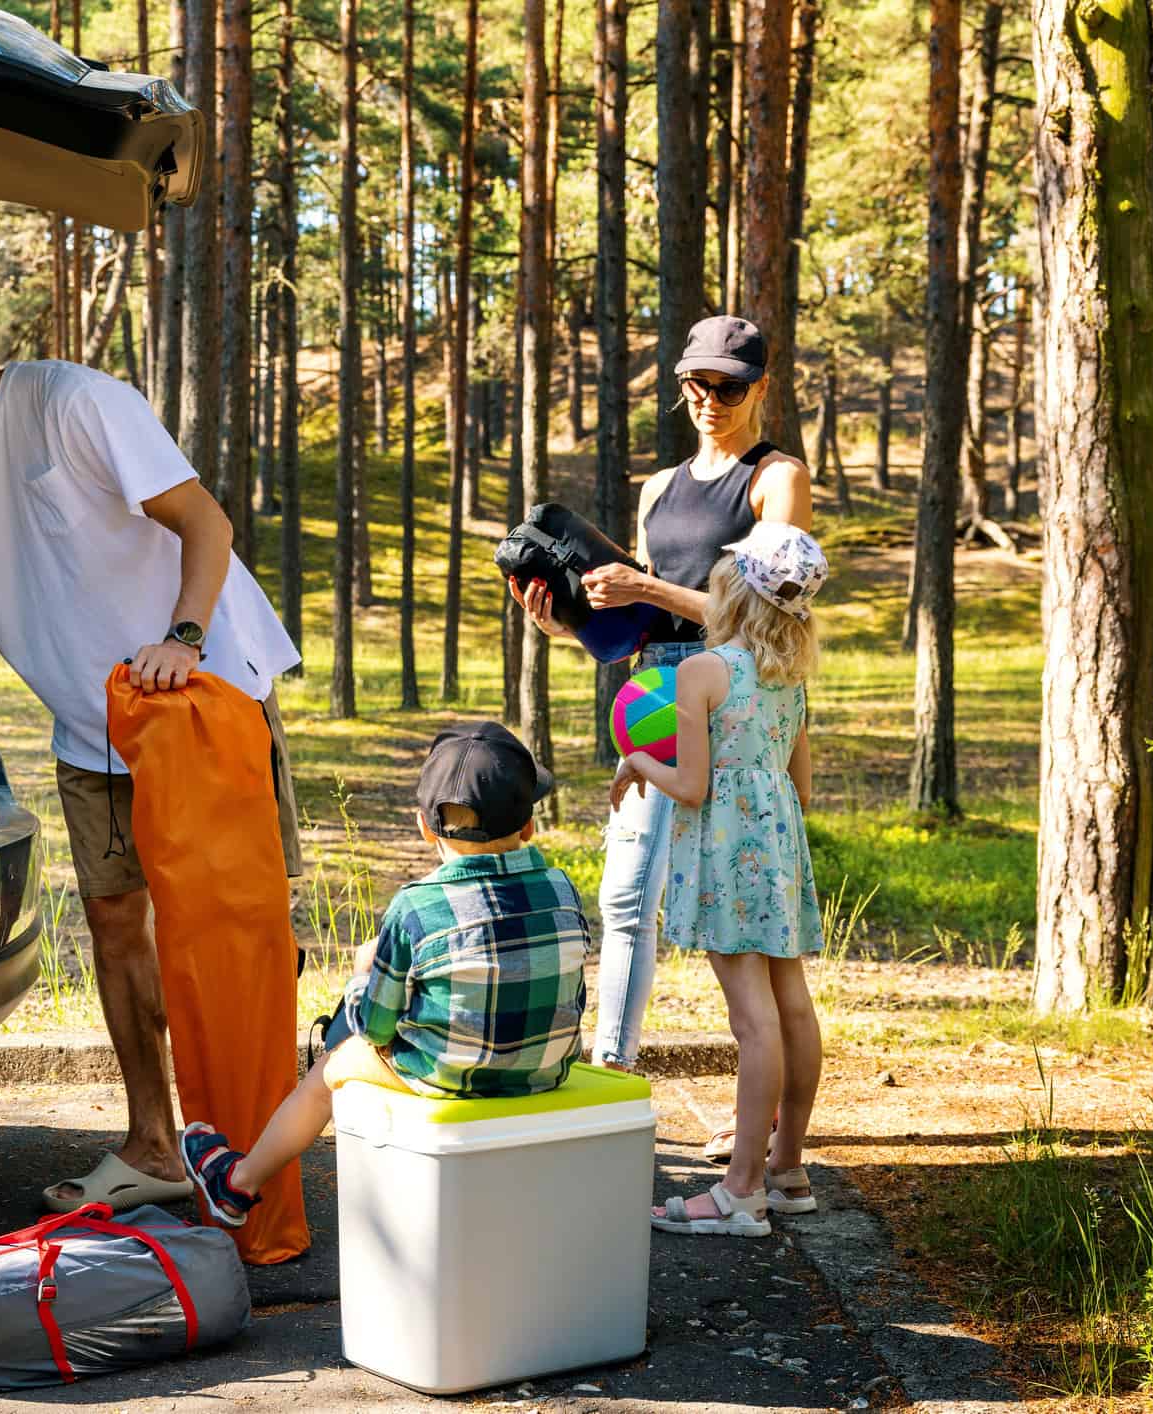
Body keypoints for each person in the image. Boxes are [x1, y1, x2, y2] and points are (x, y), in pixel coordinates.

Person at [0, 286, 304, 1213]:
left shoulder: (72, 403)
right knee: (118, 932)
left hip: (204, 700)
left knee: (236, 938)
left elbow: (206, 523)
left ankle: (264, 1153)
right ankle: (155, 1144)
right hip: (94, 732)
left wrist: (182, 639)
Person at [509, 313, 812, 1161]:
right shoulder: (656, 489)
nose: (709, 401)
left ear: (759, 389)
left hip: (739, 693)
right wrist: (568, 625)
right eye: (696, 386)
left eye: (728, 387)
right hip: (654, 689)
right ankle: (611, 1072)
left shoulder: (775, 478)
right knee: (626, 896)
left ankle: (771, 1136)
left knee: (753, 936)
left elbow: (780, 610)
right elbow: (637, 622)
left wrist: (650, 585)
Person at [176, 723, 589, 1226]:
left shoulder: (416, 907)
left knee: (328, 1072)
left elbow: (375, 1027)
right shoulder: (562, 887)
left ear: (424, 826)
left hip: (448, 1080)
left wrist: (359, 975)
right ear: (528, 828)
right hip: (545, 1072)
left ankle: (237, 1185)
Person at [610, 521, 828, 1237]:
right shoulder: (786, 676)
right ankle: (787, 1170)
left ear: (732, 588)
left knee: (751, 1020)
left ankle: (740, 1190)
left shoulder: (703, 671)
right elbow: (799, 785)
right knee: (791, 1004)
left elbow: (694, 786)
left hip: (727, 858)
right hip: (778, 850)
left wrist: (638, 763)